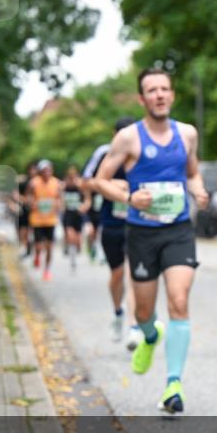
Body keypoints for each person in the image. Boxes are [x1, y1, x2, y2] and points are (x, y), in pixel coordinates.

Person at [94, 69, 209, 414]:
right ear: (142, 99)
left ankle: (173, 384)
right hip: (141, 233)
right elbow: (101, 181)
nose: (159, 95)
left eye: (164, 89)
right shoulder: (128, 138)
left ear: (172, 95)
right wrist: (129, 196)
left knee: (178, 299)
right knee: (144, 310)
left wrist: (198, 189)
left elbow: (192, 171)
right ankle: (149, 333)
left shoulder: (187, 134)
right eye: (151, 90)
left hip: (178, 231)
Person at [85, 117, 141, 345]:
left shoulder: (141, 153)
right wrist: (112, 186)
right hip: (110, 223)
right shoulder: (104, 154)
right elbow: (85, 181)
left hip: (136, 223)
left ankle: (133, 326)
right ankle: (118, 313)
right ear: (114, 135)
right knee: (117, 276)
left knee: (132, 275)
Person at [26, 159, 62, 281]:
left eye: (49, 170)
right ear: (40, 172)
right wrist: (33, 204)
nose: (47, 173)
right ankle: (37, 256)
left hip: (51, 220)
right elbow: (28, 197)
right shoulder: (33, 183)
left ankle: (46, 270)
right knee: (39, 246)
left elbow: (60, 199)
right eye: (44, 171)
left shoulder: (56, 183)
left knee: (50, 247)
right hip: (37, 219)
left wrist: (58, 204)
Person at [61, 165, 89, 272]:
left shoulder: (80, 186)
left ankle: (75, 249)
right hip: (68, 215)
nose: (72, 178)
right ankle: (71, 258)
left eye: (74, 175)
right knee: (70, 235)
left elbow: (87, 200)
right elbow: (59, 198)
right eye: (70, 176)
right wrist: (61, 205)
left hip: (78, 215)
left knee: (77, 240)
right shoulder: (64, 186)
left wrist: (84, 207)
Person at [13, 161, 37, 258]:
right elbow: (15, 194)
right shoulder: (23, 181)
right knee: (23, 230)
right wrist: (24, 200)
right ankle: (25, 247)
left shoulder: (39, 182)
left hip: (36, 210)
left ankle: (31, 248)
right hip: (24, 209)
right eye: (31, 169)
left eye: (35, 169)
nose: (33, 171)